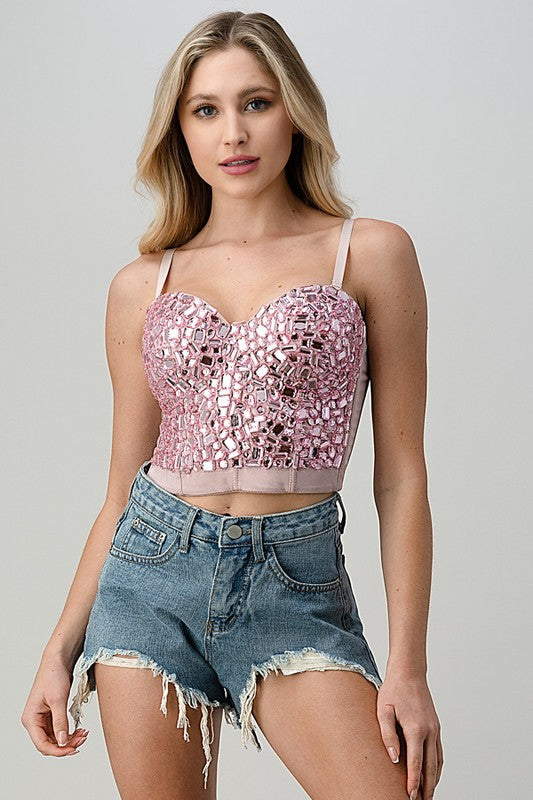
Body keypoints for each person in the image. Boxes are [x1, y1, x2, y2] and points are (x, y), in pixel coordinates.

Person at [21, 10, 443, 800]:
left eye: (256, 102)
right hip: (148, 578)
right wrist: (57, 649)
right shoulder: (141, 285)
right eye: (205, 109)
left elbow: (401, 476)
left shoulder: (370, 252)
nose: (233, 133)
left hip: (293, 579)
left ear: (295, 112)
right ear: (179, 129)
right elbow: (120, 490)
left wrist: (408, 668)